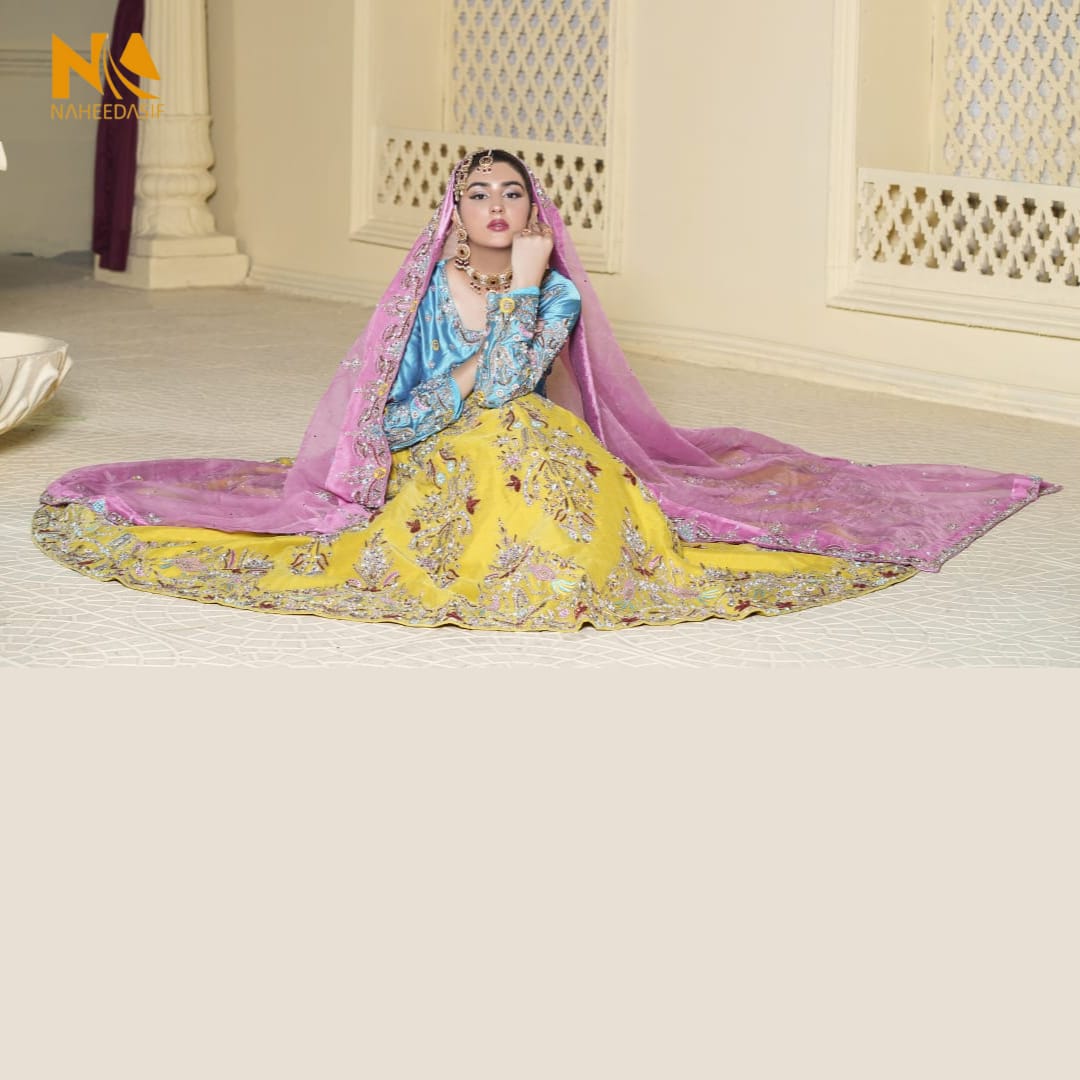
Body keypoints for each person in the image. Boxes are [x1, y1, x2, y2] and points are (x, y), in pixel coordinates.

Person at [31, 150, 1058, 631]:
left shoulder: (552, 291)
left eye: (511, 193)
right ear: (453, 209)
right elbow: (405, 412)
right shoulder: (422, 289)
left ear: (534, 210)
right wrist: (462, 385)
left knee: (561, 483)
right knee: (477, 482)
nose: (494, 204)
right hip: (430, 448)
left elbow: (513, 383)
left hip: (528, 435)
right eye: (476, 192)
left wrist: (522, 291)